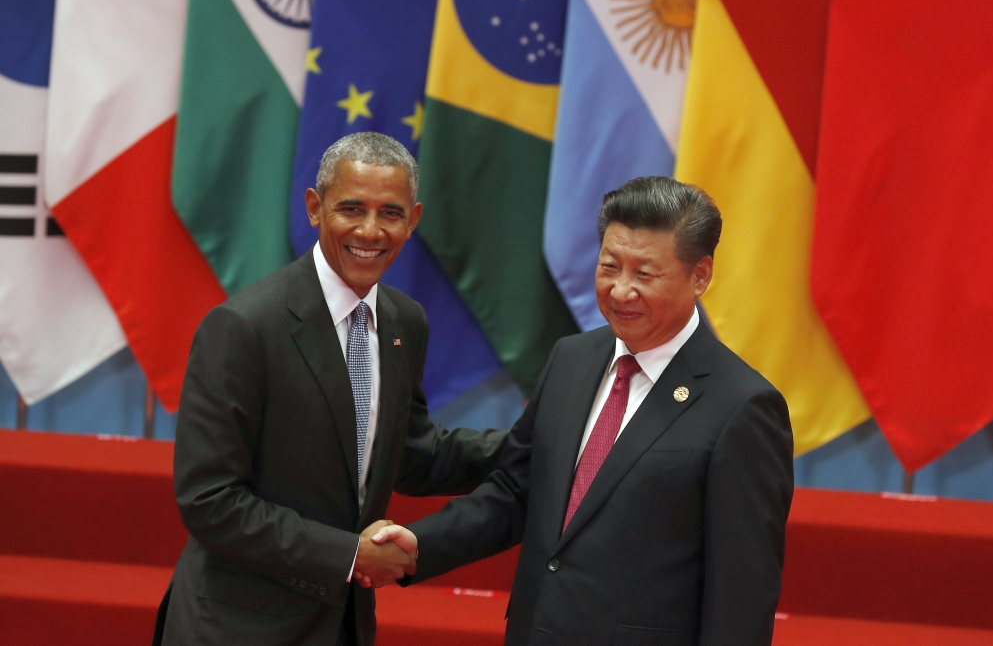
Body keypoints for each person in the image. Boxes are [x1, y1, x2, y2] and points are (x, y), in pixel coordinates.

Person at [367, 177, 794, 645]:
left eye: (645, 274)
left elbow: (742, 596)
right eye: (610, 266)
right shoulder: (572, 359)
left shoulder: (744, 407)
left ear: (700, 275)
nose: (621, 290)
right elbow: (517, 490)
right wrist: (419, 547)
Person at [153, 132, 507, 646]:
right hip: (238, 626)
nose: (371, 229)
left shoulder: (404, 321)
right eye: (351, 209)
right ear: (315, 208)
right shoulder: (244, 326)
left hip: (342, 623)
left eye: (390, 212)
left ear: (414, 219)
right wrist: (349, 556)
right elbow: (209, 499)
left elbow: (410, 455)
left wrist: (536, 443)